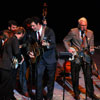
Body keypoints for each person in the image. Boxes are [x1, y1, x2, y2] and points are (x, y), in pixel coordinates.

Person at [63, 17, 100, 100]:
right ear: (79, 25)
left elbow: (91, 47)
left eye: (86, 25)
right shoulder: (73, 31)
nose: (84, 27)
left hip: (86, 57)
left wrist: (92, 50)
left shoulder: (90, 33)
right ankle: (76, 93)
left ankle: (90, 93)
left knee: (88, 76)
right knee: (75, 76)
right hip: (76, 56)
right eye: (82, 25)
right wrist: (69, 49)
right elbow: (65, 40)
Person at [29, 16, 57, 100]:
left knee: (50, 80)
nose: (32, 27)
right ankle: (39, 97)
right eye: (31, 26)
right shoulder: (32, 32)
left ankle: (49, 97)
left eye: (33, 26)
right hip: (40, 59)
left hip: (50, 59)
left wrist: (47, 45)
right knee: (38, 78)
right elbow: (29, 44)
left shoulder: (49, 31)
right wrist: (30, 52)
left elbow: (53, 44)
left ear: (38, 24)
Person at [0, 27, 24, 100]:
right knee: (4, 86)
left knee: (5, 85)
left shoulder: (9, 39)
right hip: (7, 66)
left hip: (3, 65)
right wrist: (20, 59)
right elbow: (16, 52)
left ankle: (8, 97)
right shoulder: (14, 40)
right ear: (21, 34)